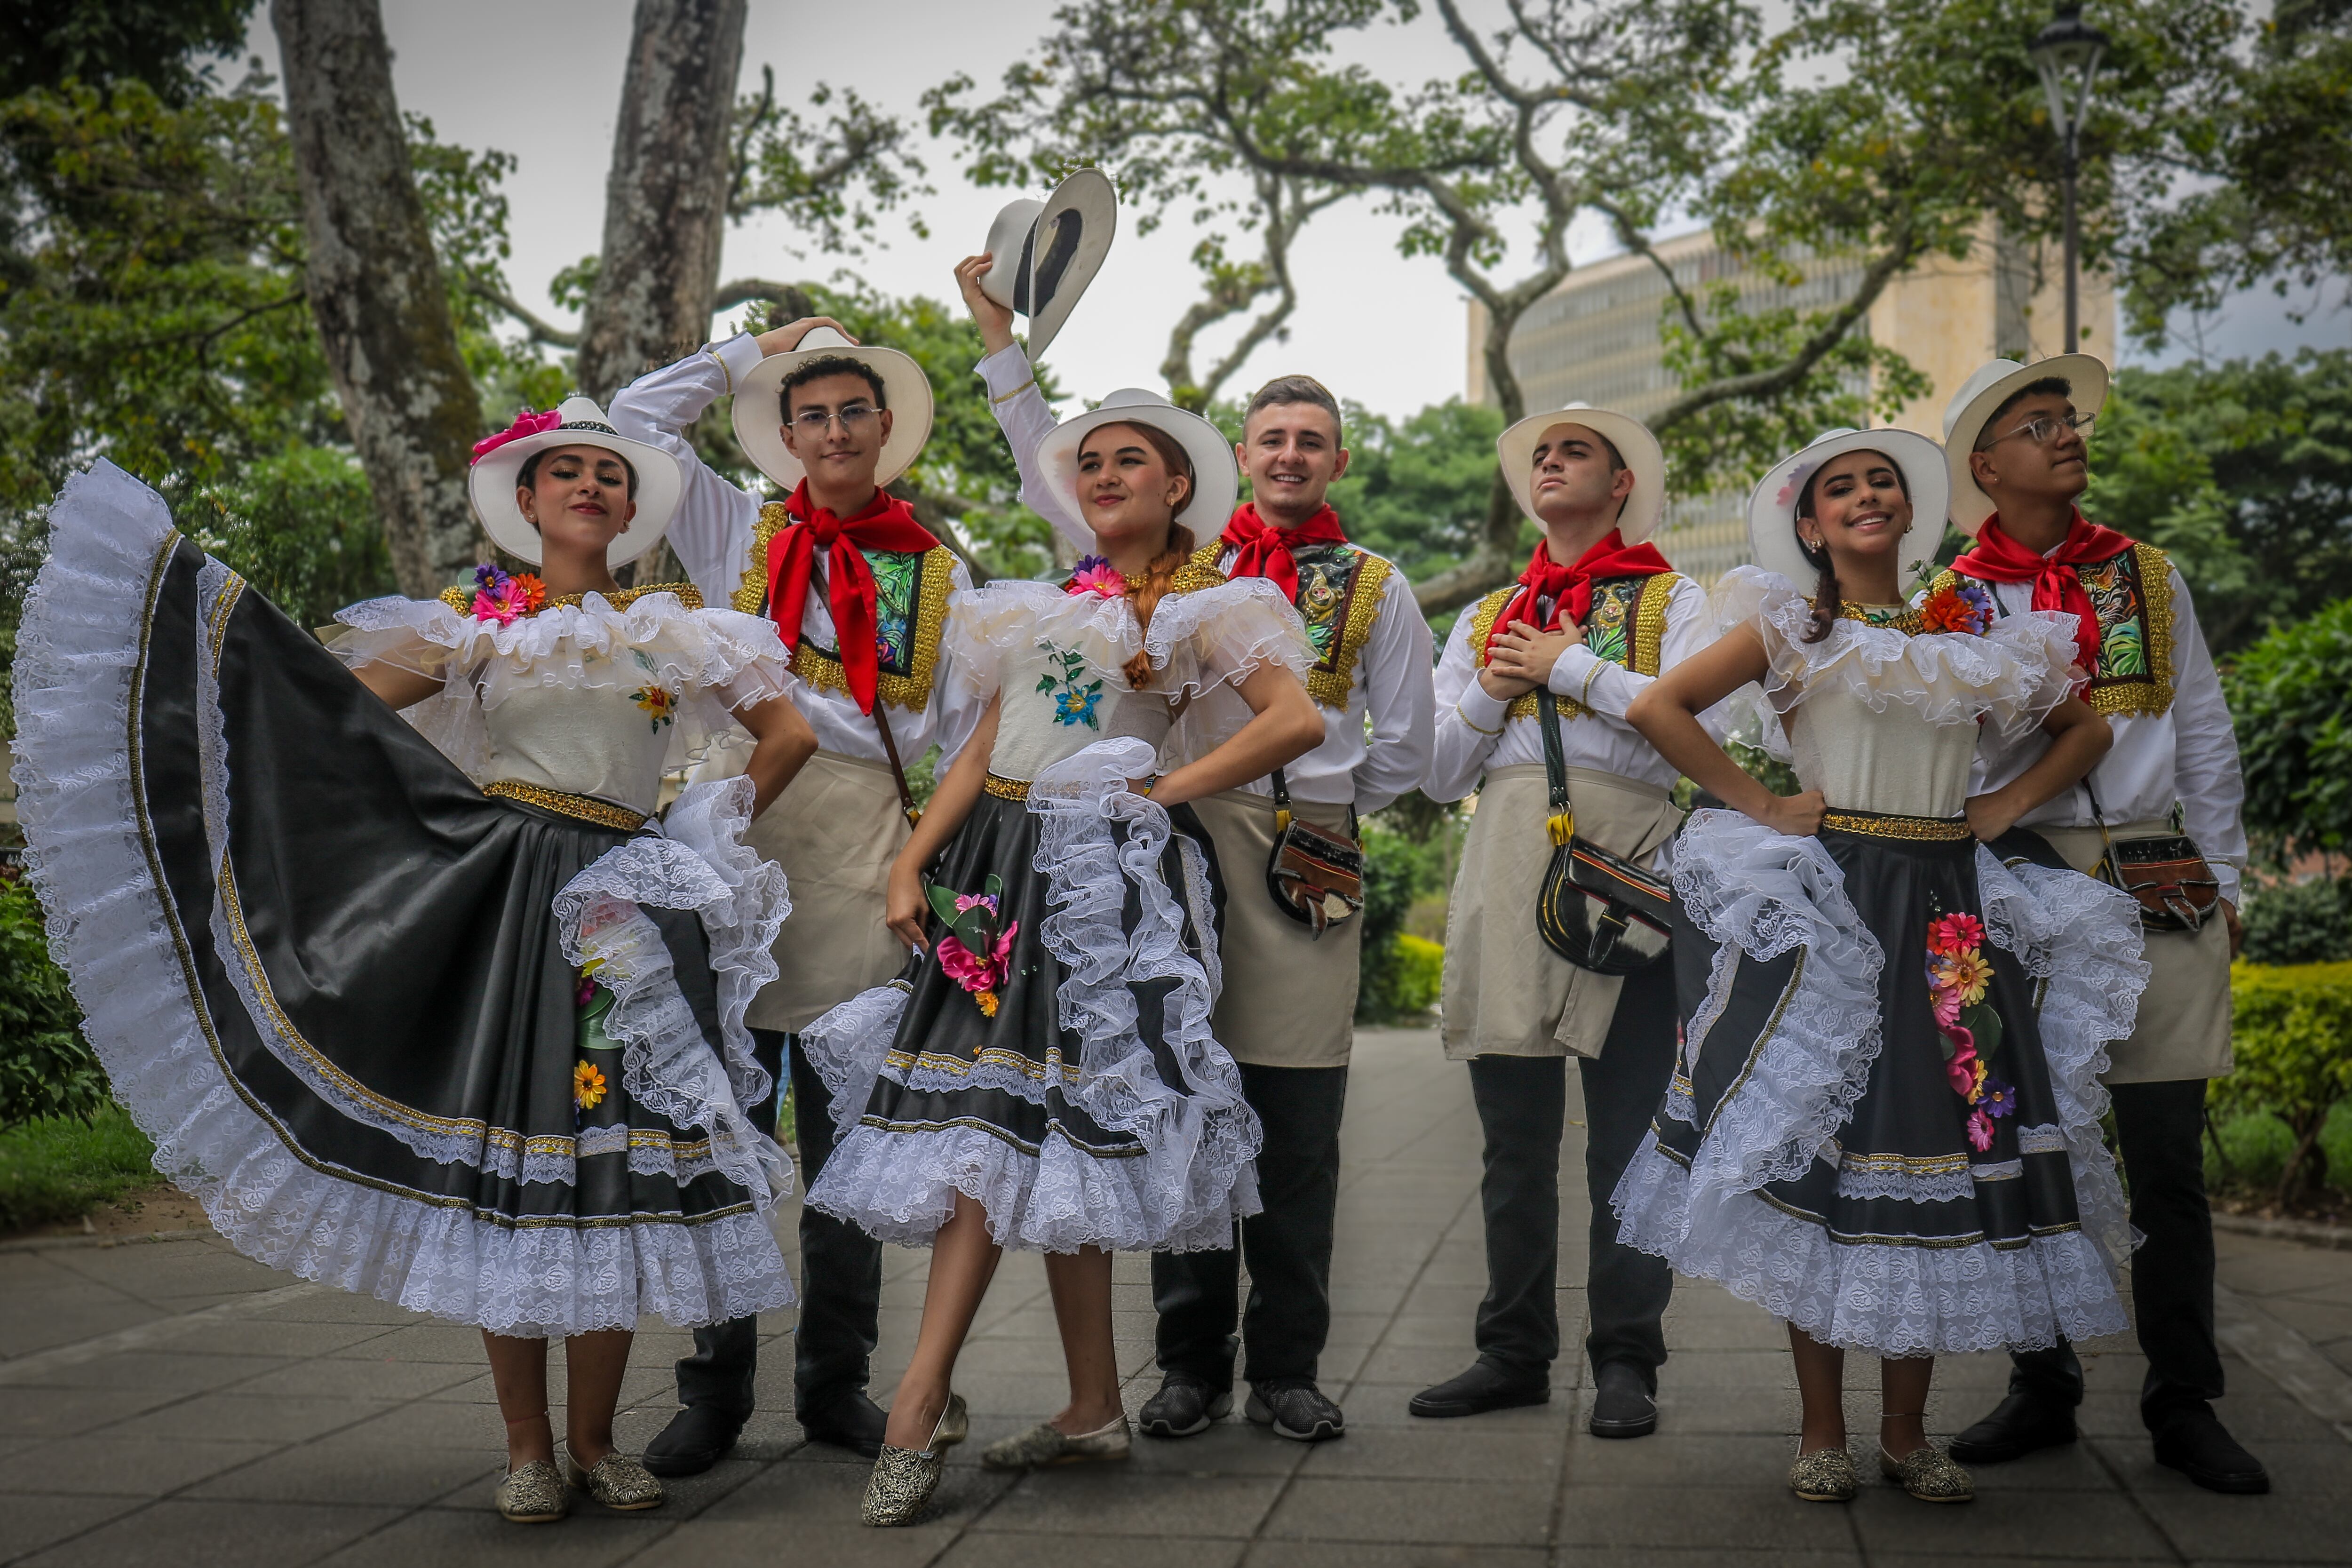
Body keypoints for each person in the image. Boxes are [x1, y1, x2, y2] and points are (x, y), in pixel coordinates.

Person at [11, 404, 815, 1525]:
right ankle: (528, 1449)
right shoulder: (474, 624)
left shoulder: (679, 629)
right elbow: (329, 716)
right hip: (508, 904)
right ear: (527, 502)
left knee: (615, 1173)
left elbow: (790, 735)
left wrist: (704, 832)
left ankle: (596, 1441)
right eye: (566, 471)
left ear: (633, 509)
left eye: (609, 473)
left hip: (628, 913)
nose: (590, 485)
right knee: (511, 1169)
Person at [796, 252, 1325, 1528]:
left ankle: (916, 1396)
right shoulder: (1038, 602)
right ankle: (1092, 1405)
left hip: (1094, 886)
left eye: (1128, 461)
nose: (1101, 475)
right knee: (1026, 1125)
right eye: (1088, 462)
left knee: (1005, 1128)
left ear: (1179, 486)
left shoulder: (1213, 605)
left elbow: (1296, 718)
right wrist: (913, 858)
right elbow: (985, 743)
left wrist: (1159, 787)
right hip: (989, 873)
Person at [1612, 426, 2144, 1504]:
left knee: (1939, 1150)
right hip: (1840, 914)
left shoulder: (1972, 634)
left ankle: (1906, 1433)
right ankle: (1822, 1428)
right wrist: (1763, 803)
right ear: (1810, 525)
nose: (1865, 495)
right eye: (1841, 488)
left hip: (1951, 926)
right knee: (1824, 1152)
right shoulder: (1788, 626)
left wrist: (2000, 804)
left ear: (1908, 512)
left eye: (1882, 483)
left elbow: (2085, 730)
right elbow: (1656, 705)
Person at [609, 317, 984, 1470]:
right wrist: (766, 340)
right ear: (785, 435)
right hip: (730, 823)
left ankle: (834, 1381)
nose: (832, 431)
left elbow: (970, 740)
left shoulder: (940, 570)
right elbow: (635, 419)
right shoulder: (735, 526)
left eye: (851, 411)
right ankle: (714, 1388)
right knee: (713, 1122)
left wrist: (915, 862)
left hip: (860, 846)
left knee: (844, 1140)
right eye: (810, 414)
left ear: (886, 429)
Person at [1073, 372, 1430, 1447]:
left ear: (1337, 460)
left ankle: (1286, 1367)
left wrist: (1318, 811)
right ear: (1239, 454)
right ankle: (1188, 1364)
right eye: (1271, 437)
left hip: (1300, 850)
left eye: (1309, 440)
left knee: (1298, 1115)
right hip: (1175, 834)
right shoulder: (1181, 569)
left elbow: (1405, 744)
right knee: (1182, 1095)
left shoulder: (1375, 583)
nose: (1289, 455)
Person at [1930, 358, 2266, 1495]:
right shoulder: (1950, 602)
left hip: (2152, 864)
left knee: (2166, 1153)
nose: (2066, 433)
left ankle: (2184, 1397)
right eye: (2038, 424)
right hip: (2013, 874)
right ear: (1986, 466)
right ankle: (2042, 1381)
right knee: (2026, 1145)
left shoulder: (2144, 572)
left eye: (2066, 418)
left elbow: (2203, 727)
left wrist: (2223, 877)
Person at [1413, 406, 1714, 1438]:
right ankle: (1512, 1350)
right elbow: (1437, 772)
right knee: (1513, 1137)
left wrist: (1572, 666)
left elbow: (1708, 726)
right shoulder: (1484, 614)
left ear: (1621, 483)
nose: (1549, 462)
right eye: (1540, 454)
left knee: (1629, 1132)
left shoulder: (1678, 599)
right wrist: (1493, 689)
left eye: (1573, 451)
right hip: (1508, 857)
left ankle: (1628, 1357)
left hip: (1632, 868)